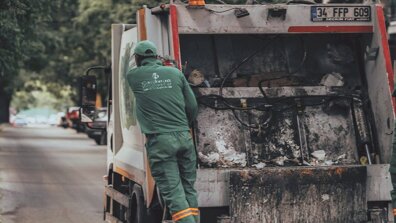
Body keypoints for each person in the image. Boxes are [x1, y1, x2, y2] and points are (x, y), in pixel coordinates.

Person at [127, 40, 199, 223]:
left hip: (161, 141)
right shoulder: (175, 73)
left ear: (137, 58)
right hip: (184, 136)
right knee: (188, 188)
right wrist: (184, 125)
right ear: (156, 56)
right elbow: (192, 105)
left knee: (174, 193)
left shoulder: (133, 76)